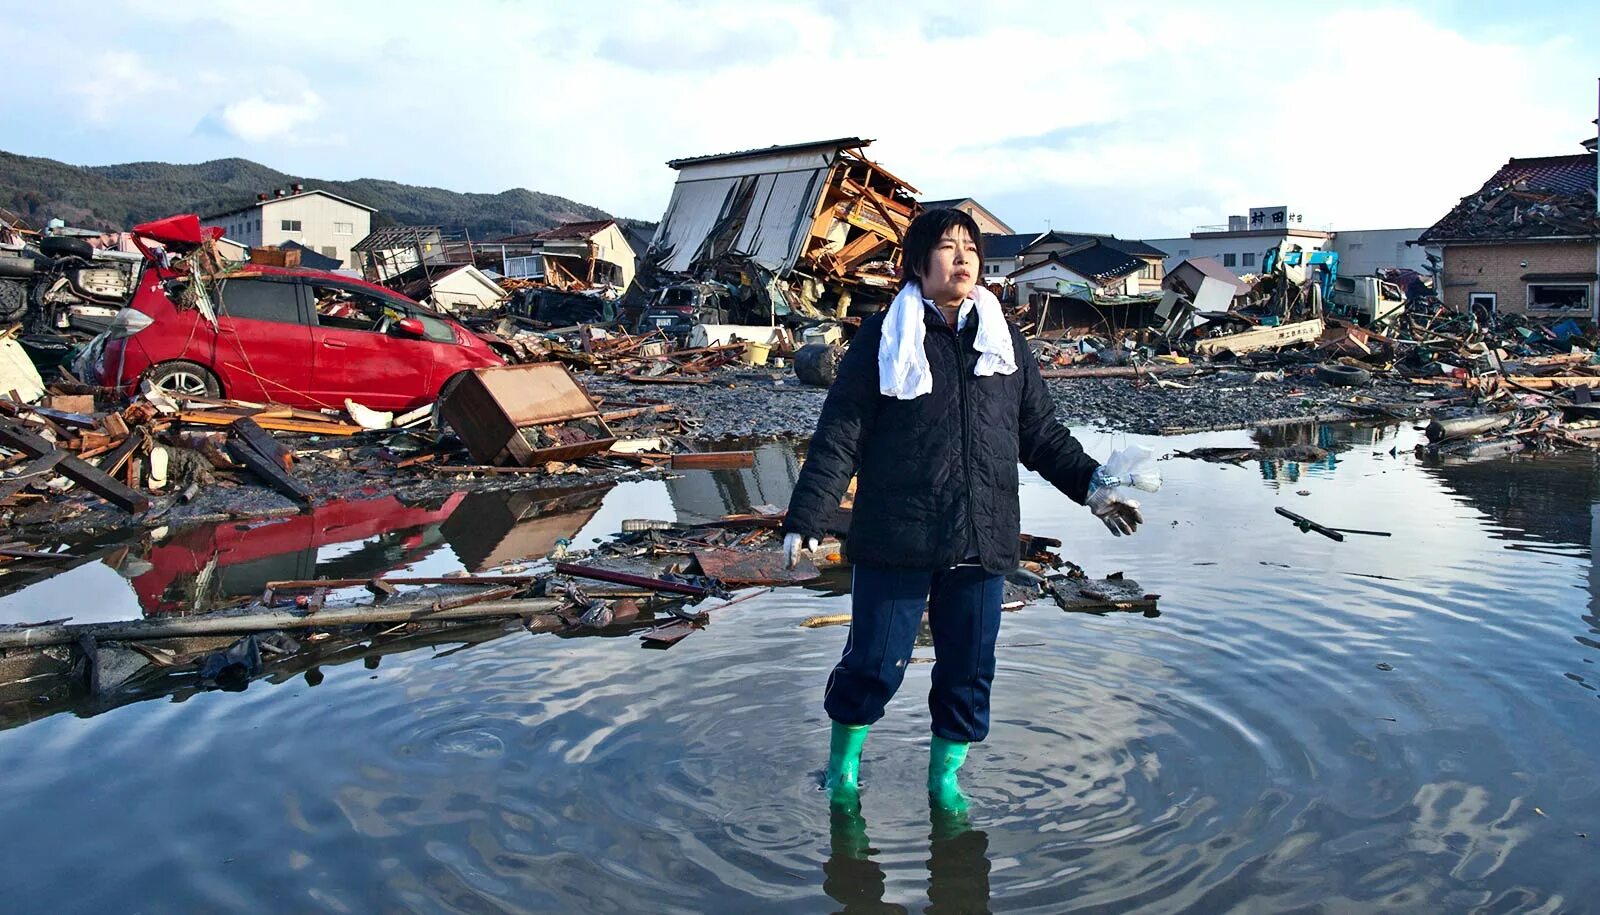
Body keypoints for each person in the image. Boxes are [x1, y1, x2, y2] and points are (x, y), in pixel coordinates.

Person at [781, 208, 1143, 811]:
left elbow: (1040, 435)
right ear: (917, 263)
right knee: (874, 661)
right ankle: (843, 769)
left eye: (970, 247)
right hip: (898, 533)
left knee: (969, 669)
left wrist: (1094, 487)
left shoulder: (1004, 341)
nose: (963, 258)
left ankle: (943, 781)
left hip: (982, 533)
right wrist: (807, 516)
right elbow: (841, 433)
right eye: (947, 247)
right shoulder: (882, 338)